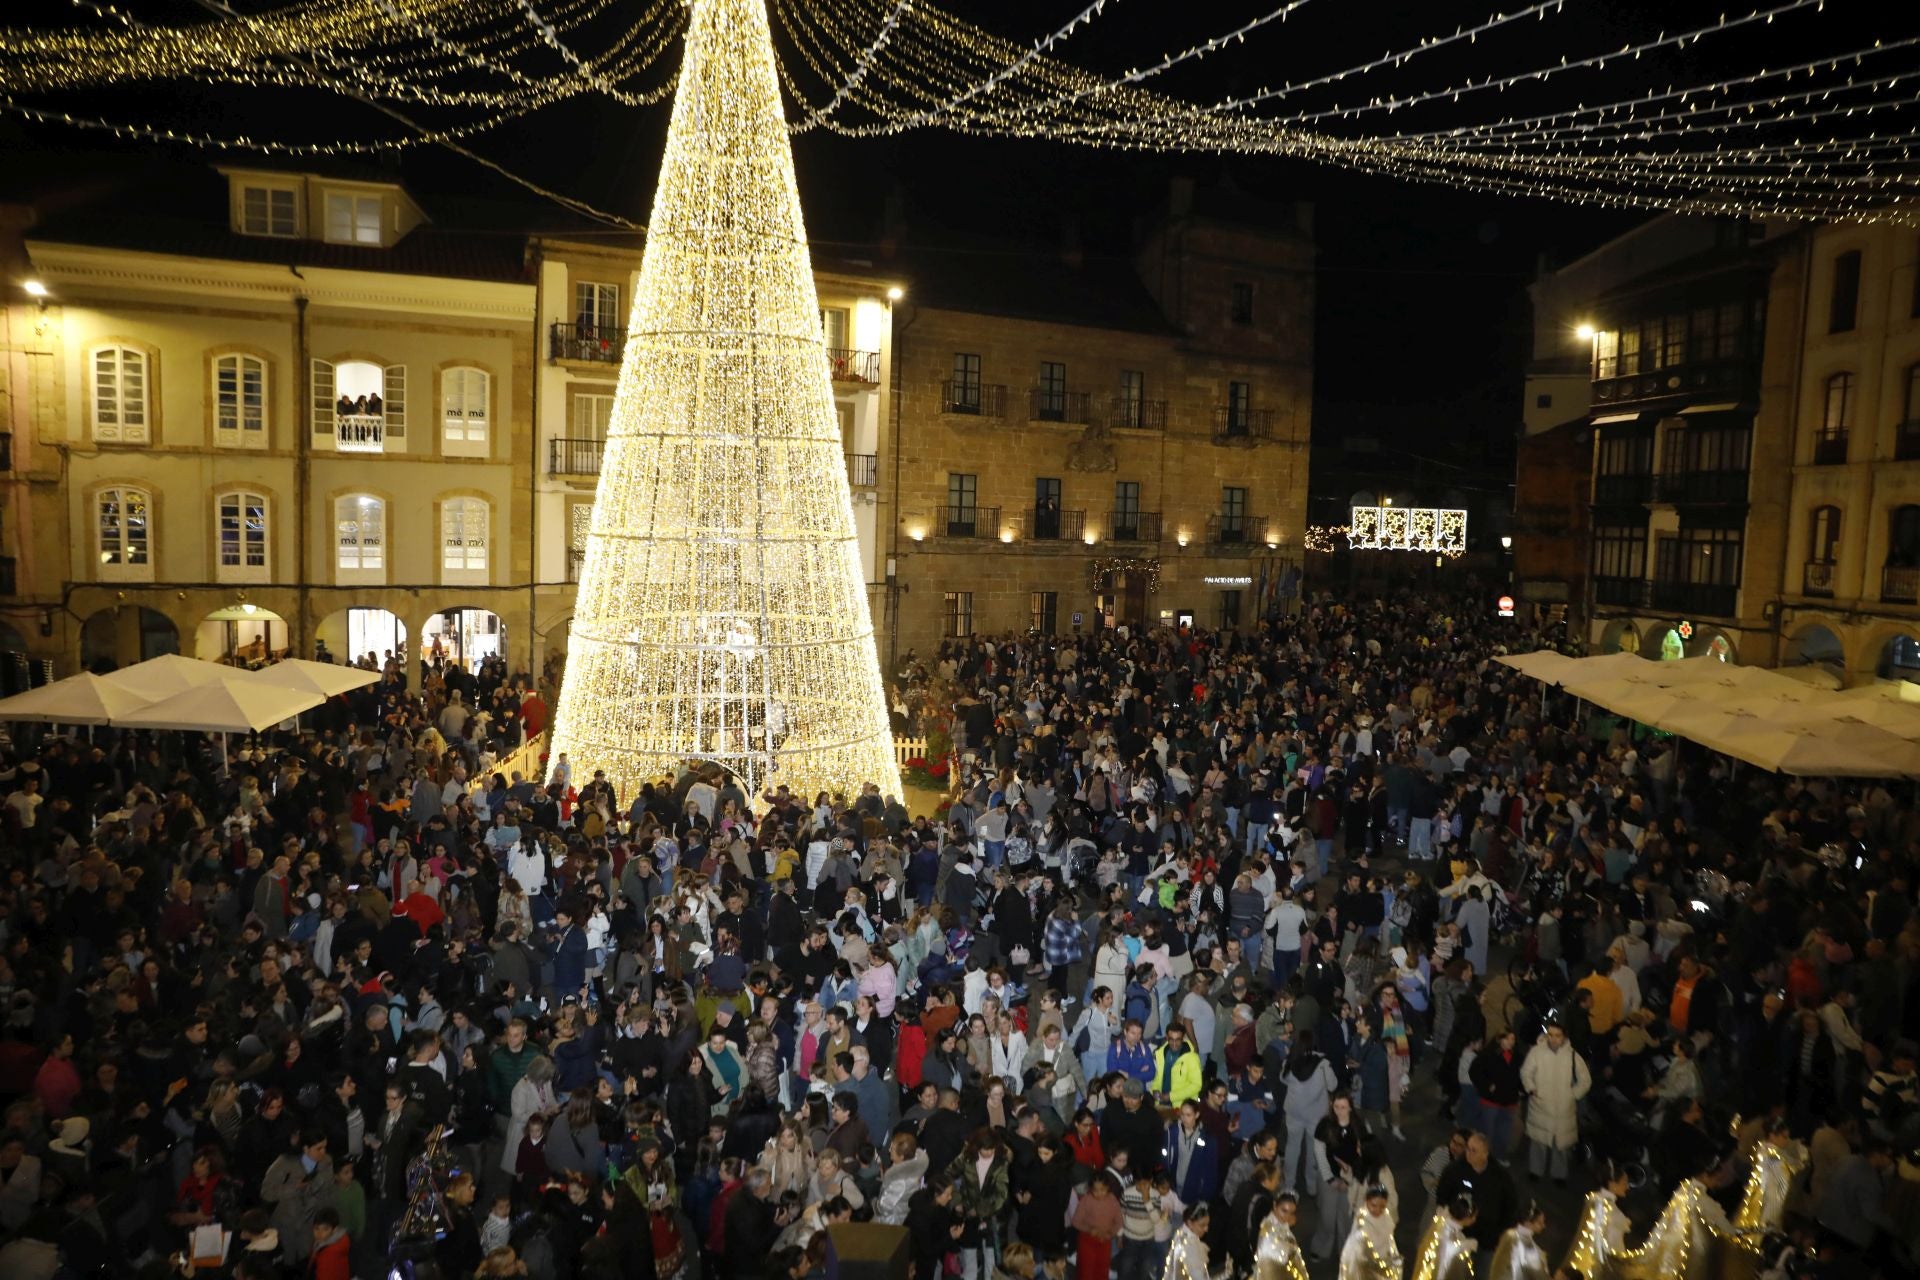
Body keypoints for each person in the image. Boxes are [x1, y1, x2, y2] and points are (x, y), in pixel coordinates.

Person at [1518, 1021, 1589, 1184]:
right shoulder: (1536, 1052)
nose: (1553, 1039)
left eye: (1557, 1035)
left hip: (1563, 1108)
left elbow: (1585, 1080)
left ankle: (1559, 1175)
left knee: (1561, 1145)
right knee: (1538, 1142)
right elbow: (1526, 1072)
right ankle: (1535, 1170)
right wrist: (1531, 1088)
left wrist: (1573, 1094)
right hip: (1541, 1104)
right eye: (1550, 1034)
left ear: (1564, 1036)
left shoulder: (1573, 1056)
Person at [1337, 1185, 1402, 1280]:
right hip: (1363, 1270)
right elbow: (1354, 1252)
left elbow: (1390, 1242)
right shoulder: (1362, 1222)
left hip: (1383, 1267)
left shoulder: (1387, 1219)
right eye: (1373, 1205)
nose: (1378, 1210)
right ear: (1366, 1201)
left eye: (1382, 1206)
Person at [1483, 1200, 1549, 1280]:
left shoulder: (1513, 1234)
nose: (1543, 1226)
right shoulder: (1517, 1237)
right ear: (1528, 1222)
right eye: (1539, 1223)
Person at [1254, 1191, 1308, 1280]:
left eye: (1291, 1212)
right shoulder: (1268, 1233)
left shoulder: (1277, 1222)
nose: (1287, 1217)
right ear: (1274, 1205)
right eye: (1284, 1210)